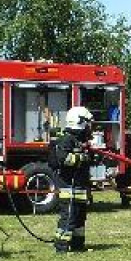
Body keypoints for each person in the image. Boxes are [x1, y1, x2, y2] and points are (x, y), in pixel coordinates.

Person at [49, 105, 95, 253]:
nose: (89, 127)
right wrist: (83, 157)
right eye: (87, 123)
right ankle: (61, 247)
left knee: (80, 218)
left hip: (79, 187)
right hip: (69, 187)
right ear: (80, 122)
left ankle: (78, 245)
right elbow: (64, 159)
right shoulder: (66, 139)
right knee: (68, 218)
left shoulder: (78, 140)